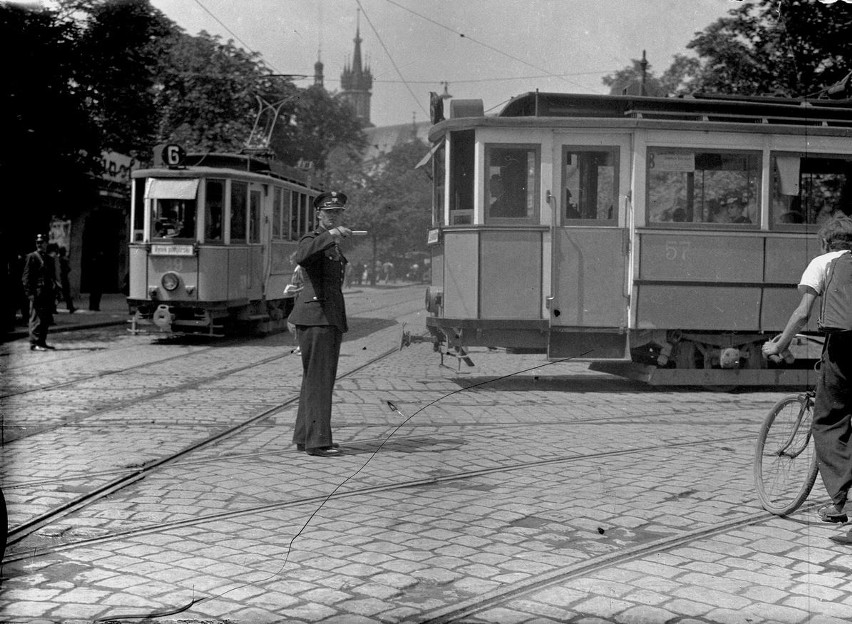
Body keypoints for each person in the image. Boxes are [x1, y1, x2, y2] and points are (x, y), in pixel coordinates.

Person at [762, 215, 852, 542]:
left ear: (826, 242)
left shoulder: (823, 262)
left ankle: (840, 504)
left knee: (829, 419)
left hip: (844, 349)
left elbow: (803, 313)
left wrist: (778, 344)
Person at [288, 191, 352, 458]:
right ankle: (318, 442)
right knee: (319, 381)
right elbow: (301, 256)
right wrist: (331, 235)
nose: (334, 216)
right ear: (319, 215)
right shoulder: (313, 239)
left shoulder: (330, 244)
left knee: (315, 380)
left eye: (338, 212)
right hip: (316, 318)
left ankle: (306, 436)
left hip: (328, 318)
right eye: (329, 213)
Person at [21, 234, 57, 351]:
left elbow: (52, 278)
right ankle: (34, 343)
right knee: (36, 319)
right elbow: (26, 277)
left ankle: (42, 341)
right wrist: (29, 293)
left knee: (45, 319)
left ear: (46, 243)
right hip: (36, 293)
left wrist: (56, 293)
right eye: (38, 242)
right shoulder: (32, 257)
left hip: (47, 293)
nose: (39, 244)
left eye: (42, 242)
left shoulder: (49, 259)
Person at [56, 246, 76, 313]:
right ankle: (70, 307)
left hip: (59, 278)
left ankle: (68, 306)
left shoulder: (58, 259)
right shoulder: (64, 259)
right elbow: (68, 269)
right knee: (66, 293)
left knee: (59, 294)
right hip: (64, 278)